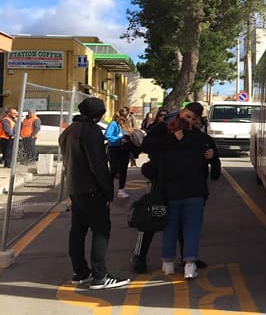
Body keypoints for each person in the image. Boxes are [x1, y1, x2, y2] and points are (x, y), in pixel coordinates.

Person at [135, 103, 216, 279]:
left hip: (170, 190)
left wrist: (210, 156)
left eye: (193, 119)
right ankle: (142, 257)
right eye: (187, 116)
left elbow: (210, 160)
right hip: (162, 189)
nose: (188, 121)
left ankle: (174, 261)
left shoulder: (197, 137)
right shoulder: (163, 130)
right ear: (181, 113)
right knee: (154, 221)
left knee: (171, 226)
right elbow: (147, 146)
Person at [59, 97, 130, 290]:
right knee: (101, 231)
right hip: (92, 190)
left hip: (75, 189)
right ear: (98, 114)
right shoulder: (91, 132)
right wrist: (108, 192)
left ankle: (80, 272)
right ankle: (100, 275)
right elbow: (98, 165)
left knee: (78, 231)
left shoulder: (69, 131)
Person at [104, 113, 131, 198]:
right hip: (114, 149)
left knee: (123, 170)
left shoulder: (126, 124)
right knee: (114, 170)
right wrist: (119, 140)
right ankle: (107, 190)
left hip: (124, 149)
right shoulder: (113, 124)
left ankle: (121, 190)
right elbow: (107, 135)